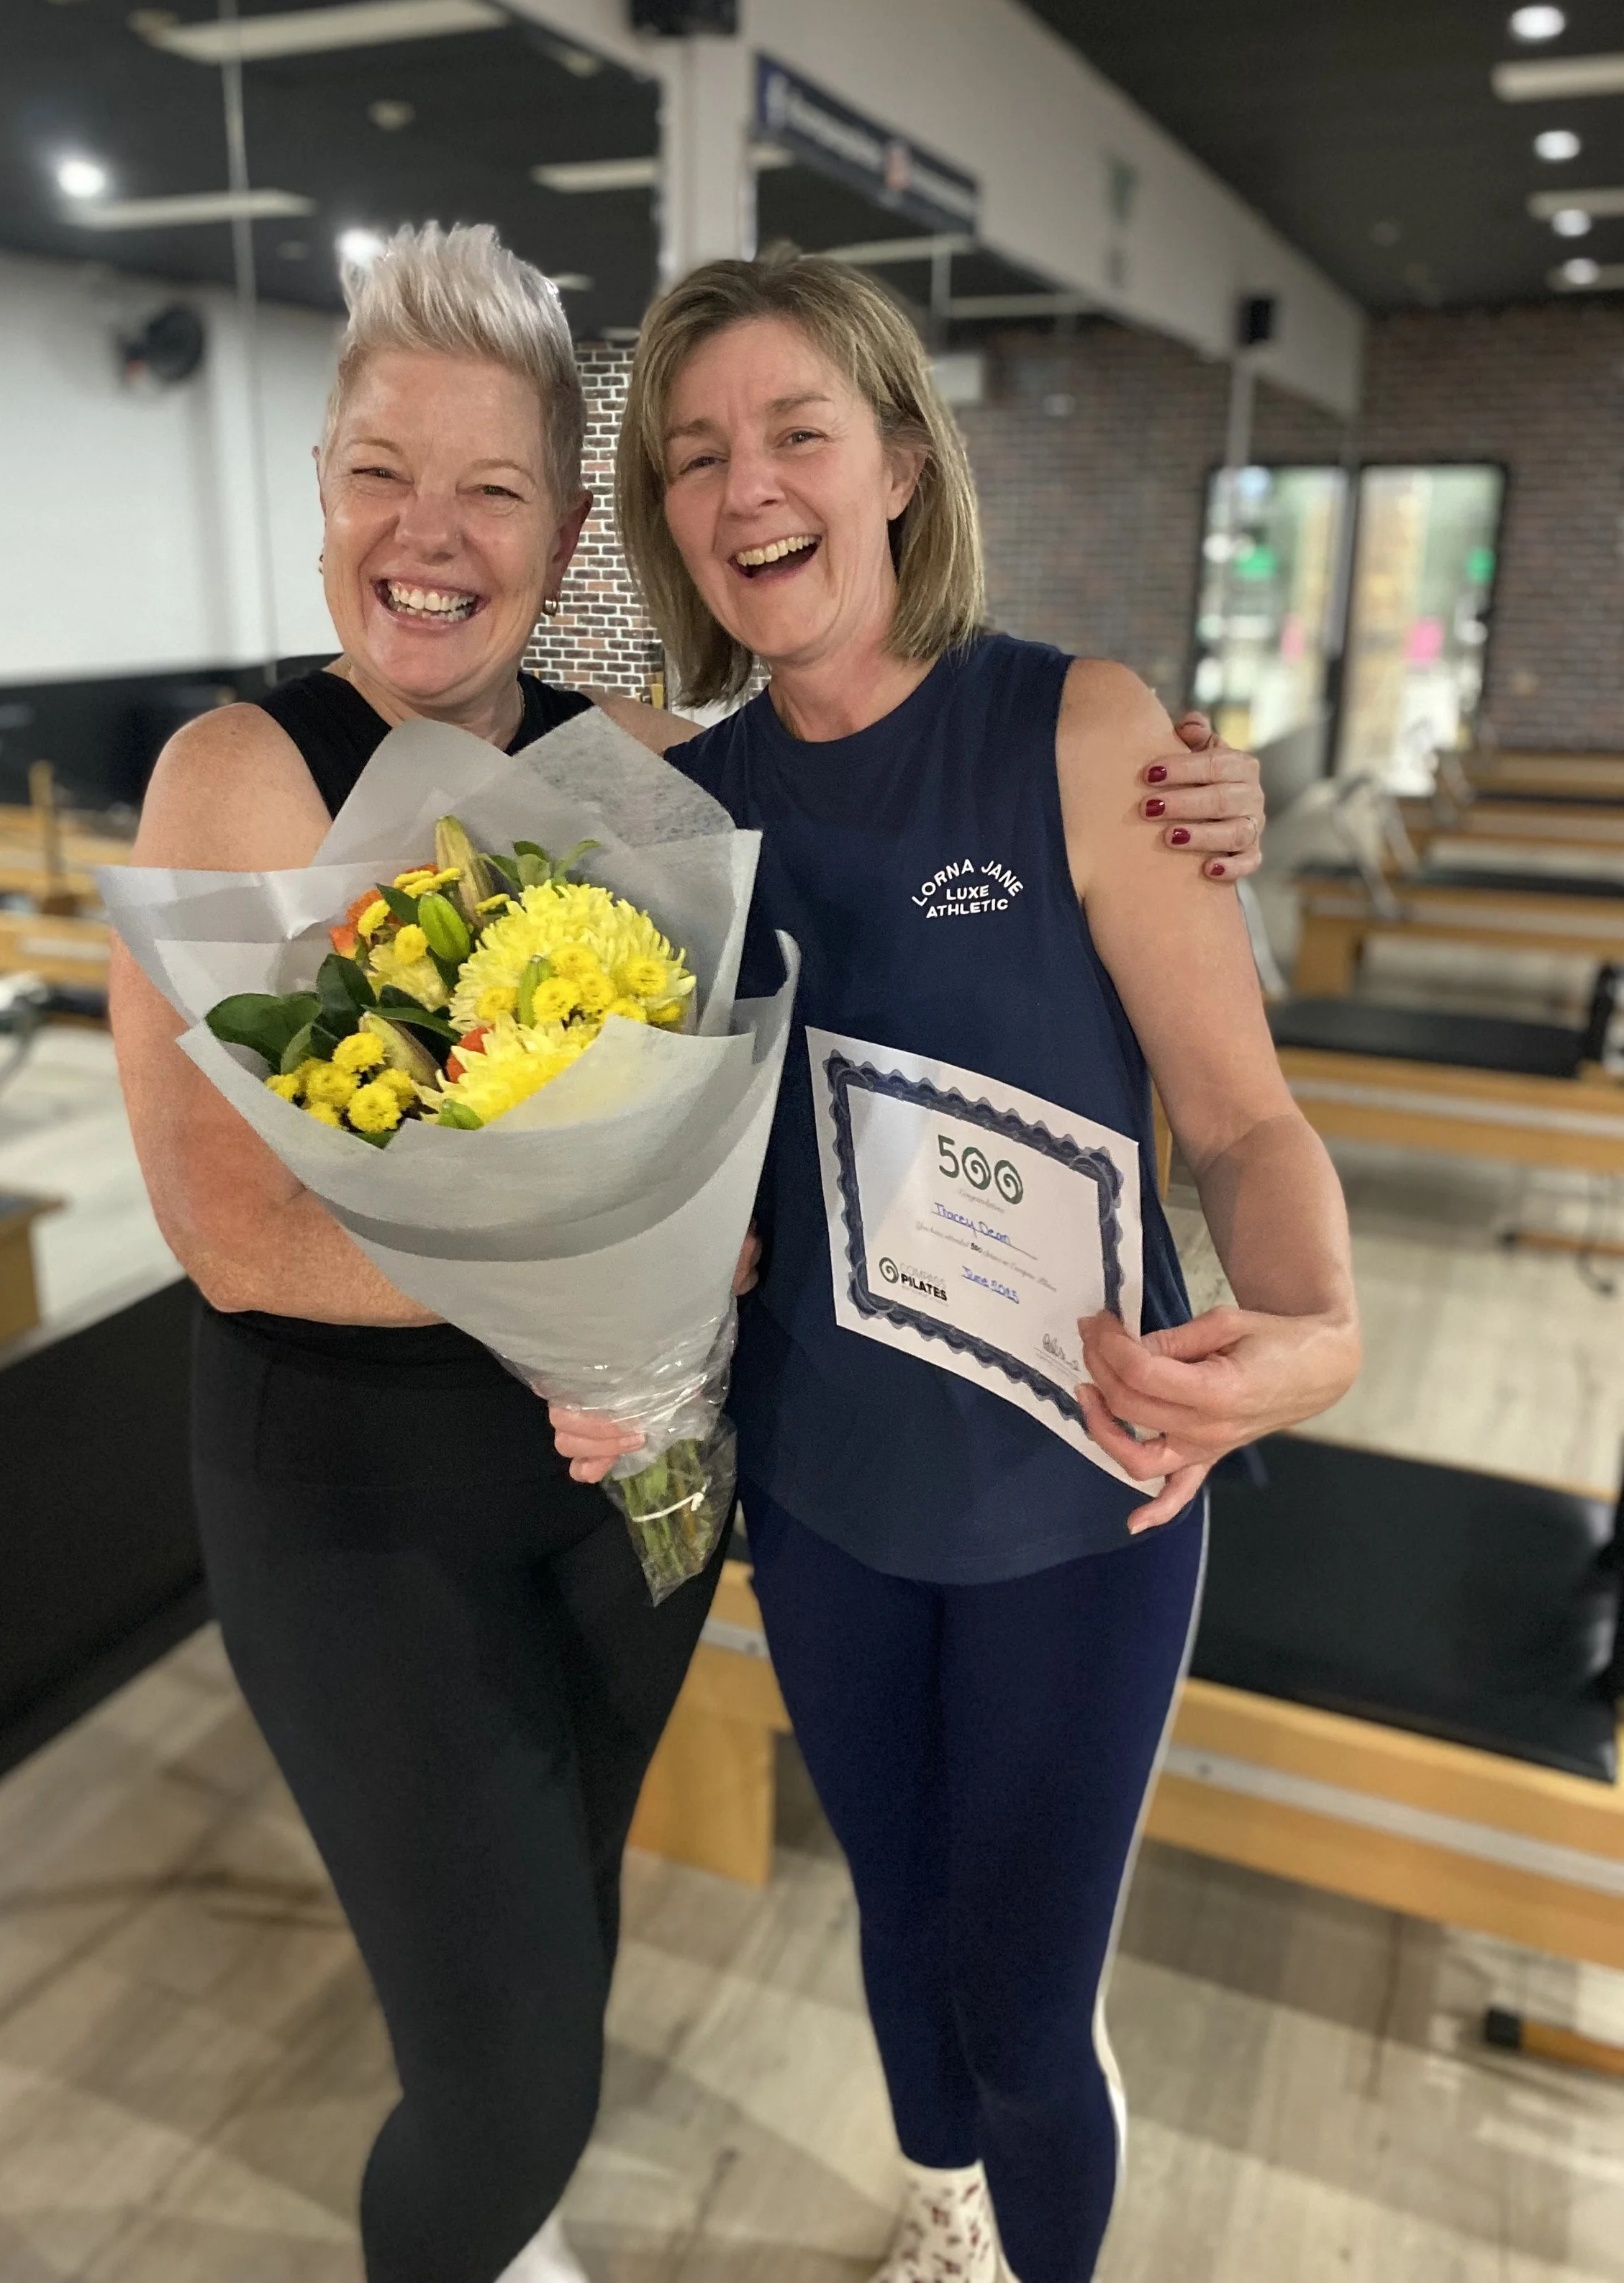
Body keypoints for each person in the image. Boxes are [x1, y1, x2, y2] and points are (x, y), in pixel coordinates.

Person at [112, 224, 1267, 2283]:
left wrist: (1205, 799)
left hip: (629, 1499)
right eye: (380, 474)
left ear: (567, 532)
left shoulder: (643, 770)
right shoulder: (238, 774)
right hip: (375, 1502)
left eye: (491, 486)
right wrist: (628, 1292)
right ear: (323, 494)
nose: (427, 531)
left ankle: (542, 2227)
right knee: (505, 2066)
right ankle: (500, 2212)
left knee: (564, 1932)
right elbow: (231, 1232)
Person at [553, 250, 1359, 2283]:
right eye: (694, 454)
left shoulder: (1082, 733)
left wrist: (1315, 1324)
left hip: (1081, 1496)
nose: (745, 486)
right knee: (897, 1928)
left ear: (902, 461)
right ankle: (947, 2217)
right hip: (825, 1499)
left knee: (1023, 2004)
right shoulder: (674, 816)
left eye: (795, 431)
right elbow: (661, 1179)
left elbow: (1243, 1124)